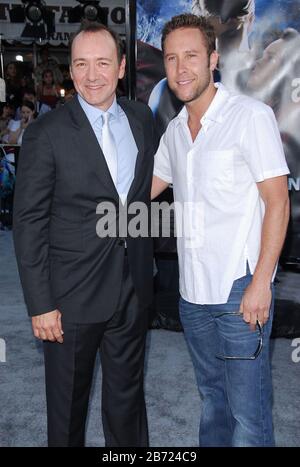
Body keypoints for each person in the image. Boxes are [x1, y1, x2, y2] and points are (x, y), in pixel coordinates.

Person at [13, 21, 156, 447]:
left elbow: (141, 198)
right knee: (67, 412)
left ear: (121, 67)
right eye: (81, 64)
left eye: (102, 63)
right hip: (70, 299)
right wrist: (41, 304)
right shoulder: (46, 133)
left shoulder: (141, 118)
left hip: (131, 290)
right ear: (71, 71)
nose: (92, 75)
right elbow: (29, 223)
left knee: (127, 405)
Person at [151, 13, 290, 447]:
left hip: (239, 290)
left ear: (213, 59)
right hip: (192, 298)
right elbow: (141, 191)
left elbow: (277, 202)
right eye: (172, 59)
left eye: (191, 56)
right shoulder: (174, 132)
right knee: (212, 401)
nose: (181, 68)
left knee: (248, 420)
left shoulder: (249, 116)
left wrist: (262, 284)